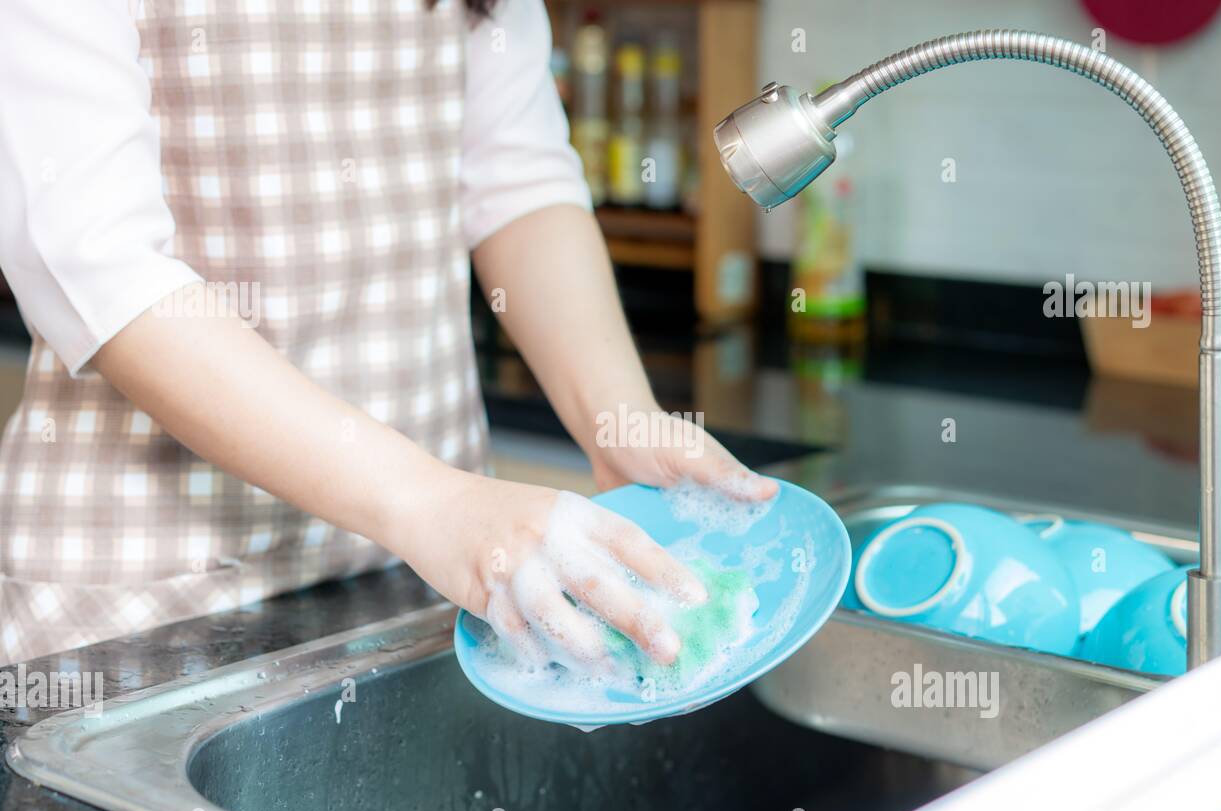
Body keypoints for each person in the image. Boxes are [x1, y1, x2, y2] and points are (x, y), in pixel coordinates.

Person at [0, 0, 775, 667]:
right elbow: (101, 265)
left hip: (418, 577)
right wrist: (432, 505)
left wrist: (617, 417)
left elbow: (516, 176)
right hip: (157, 592)